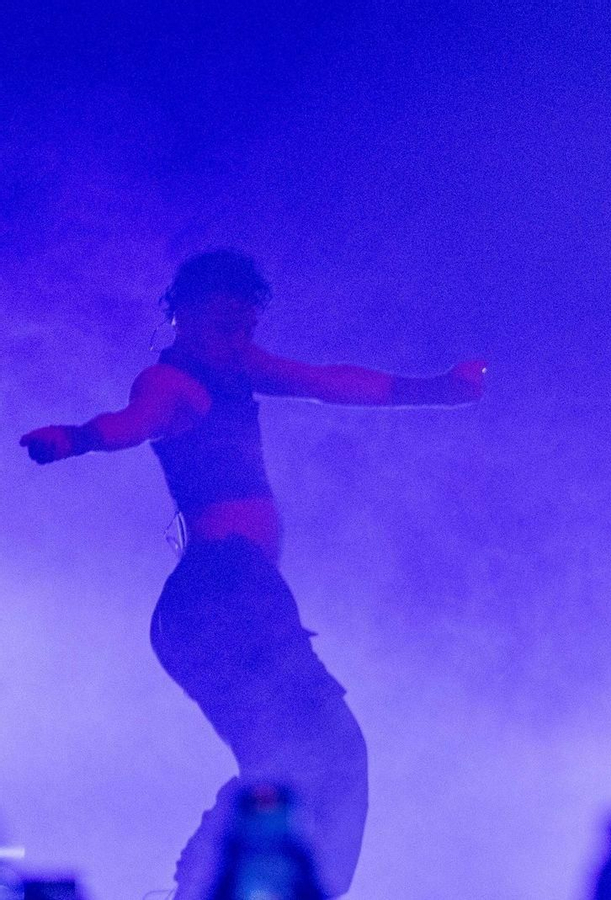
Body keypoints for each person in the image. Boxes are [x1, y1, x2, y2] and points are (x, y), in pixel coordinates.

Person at [20, 249, 484, 899]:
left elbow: (328, 381)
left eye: (248, 321)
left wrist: (434, 391)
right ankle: (224, 877)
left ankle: (219, 877)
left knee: (298, 763)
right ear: (184, 313)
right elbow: (135, 423)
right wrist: (75, 439)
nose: (241, 334)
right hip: (223, 595)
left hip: (224, 602)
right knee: (323, 755)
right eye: (226, 319)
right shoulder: (173, 381)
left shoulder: (238, 368)